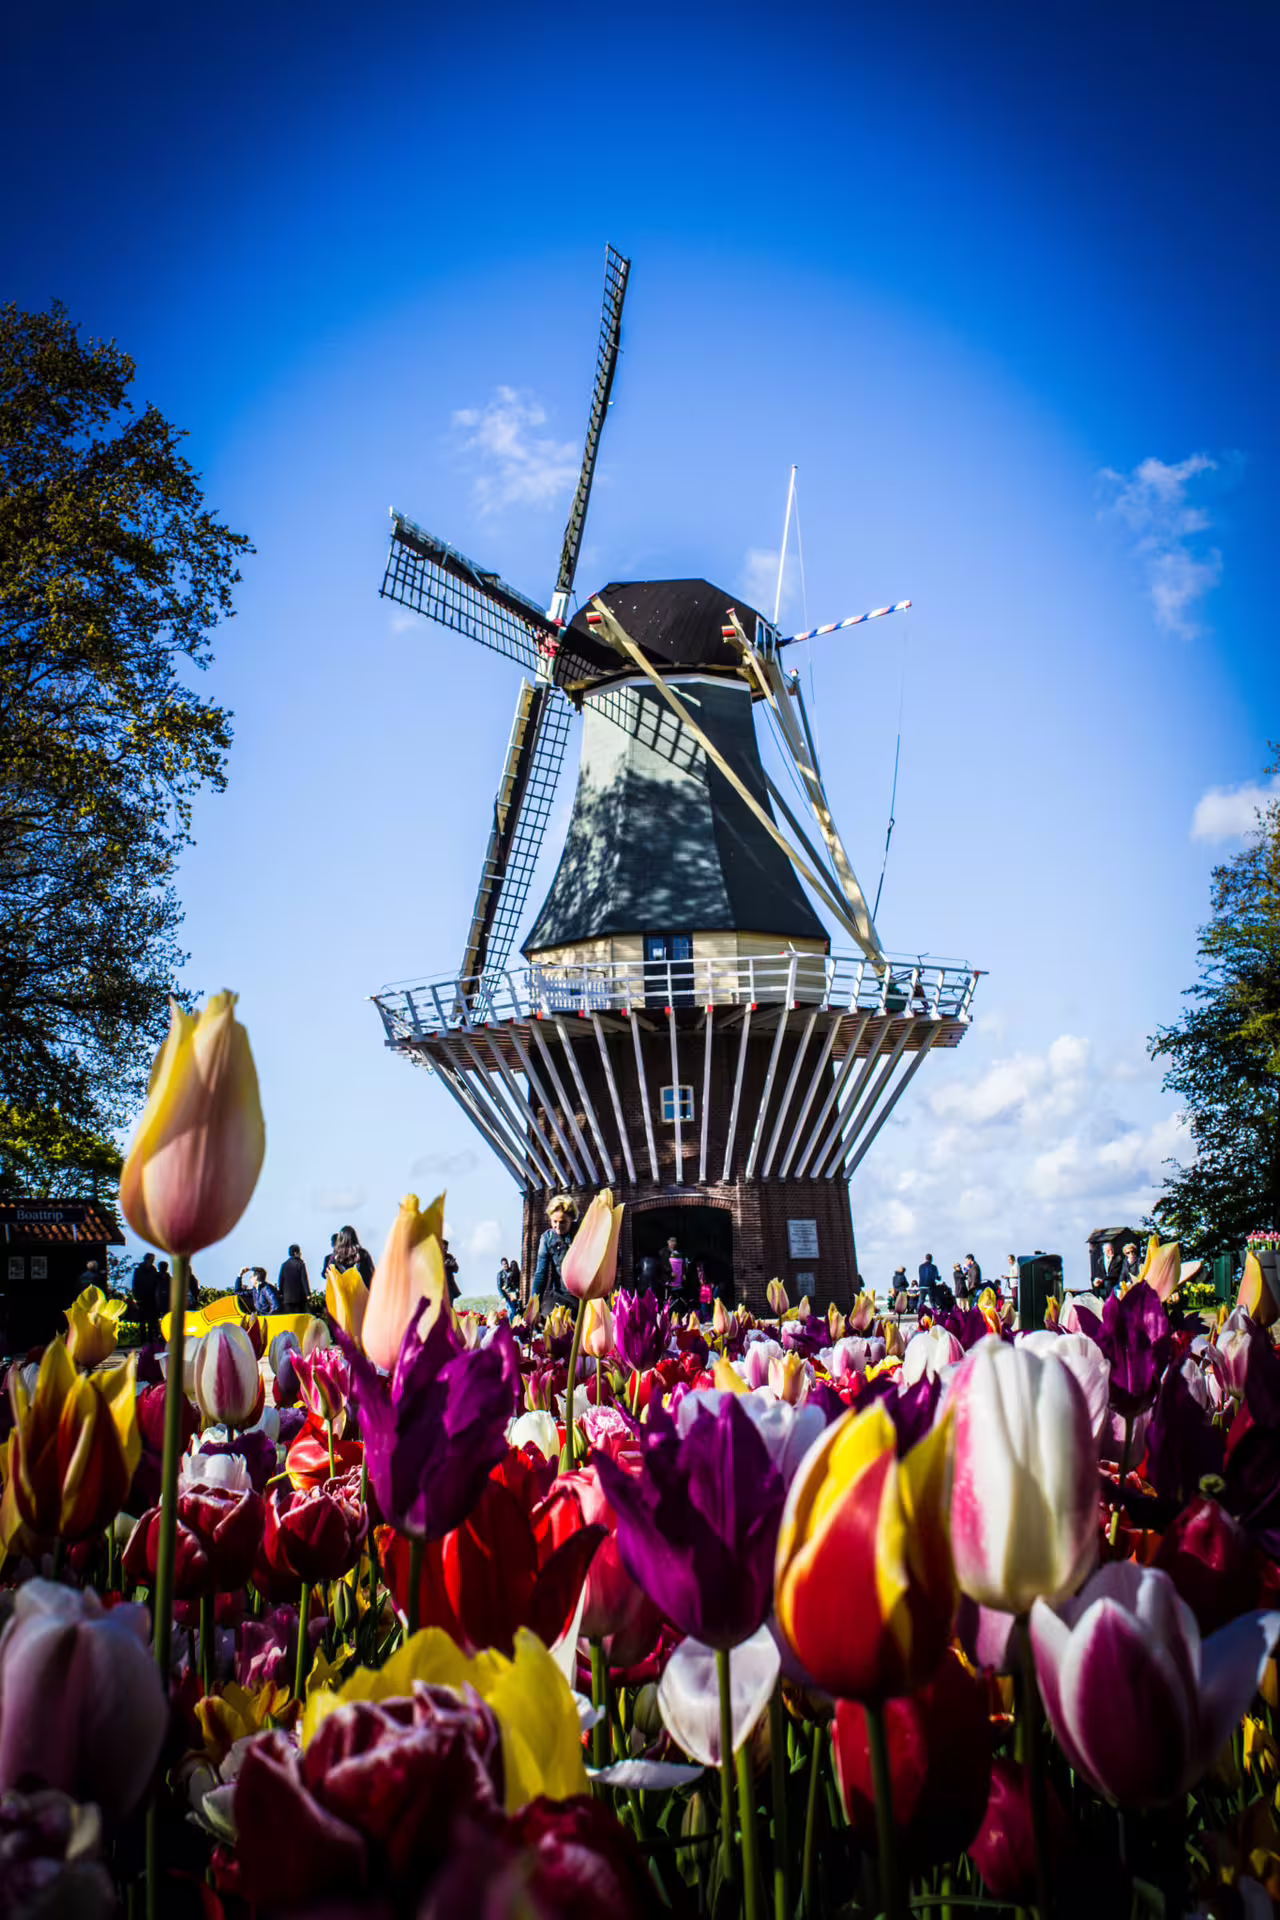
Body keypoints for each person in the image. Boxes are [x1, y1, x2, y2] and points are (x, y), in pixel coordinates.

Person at [533, 1196, 577, 1313]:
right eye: (554, 1221)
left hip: (584, 1295)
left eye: (563, 1222)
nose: (558, 1226)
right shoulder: (547, 1238)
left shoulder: (583, 1231)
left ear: (572, 1219)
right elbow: (541, 1274)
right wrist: (534, 1304)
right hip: (560, 1294)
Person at [133, 1252, 160, 1343]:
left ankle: (151, 1339)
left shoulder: (153, 1270)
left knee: (152, 1320)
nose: (152, 1261)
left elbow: (156, 1284)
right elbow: (135, 1284)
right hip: (142, 1298)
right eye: (151, 1259)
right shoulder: (138, 1270)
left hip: (151, 1299)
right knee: (142, 1320)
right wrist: (136, 1296)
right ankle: (143, 1339)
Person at [278, 1244, 309, 1311]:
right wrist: (308, 1293)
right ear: (296, 1253)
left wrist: (280, 1292)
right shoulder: (300, 1264)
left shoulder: (284, 1265)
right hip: (299, 1298)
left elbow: (281, 1280)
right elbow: (304, 1279)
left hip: (287, 1298)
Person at [442, 1239, 461, 1304]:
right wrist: (444, 1265)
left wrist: (453, 1265)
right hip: (438, 1286)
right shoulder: (434, 1256)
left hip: (449, 1286)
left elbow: (456, 1270)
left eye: (446, 1248)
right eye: (443, 1248)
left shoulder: (449, 1256)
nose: (445, 1250)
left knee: (449, 1306)